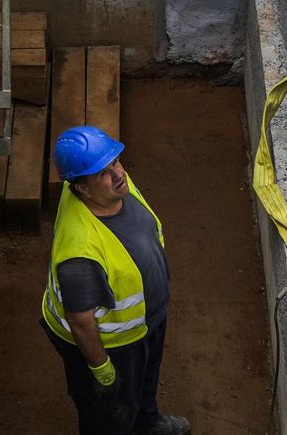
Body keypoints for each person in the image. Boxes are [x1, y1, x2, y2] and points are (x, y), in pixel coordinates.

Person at [41, 126, 190, 435]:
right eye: (103, 173)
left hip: (145, 324)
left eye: (116, 162)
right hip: (114, 344)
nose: (117, 174)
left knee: (143, 383)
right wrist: (101, 368)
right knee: (109, 412)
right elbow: (80, 320)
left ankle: (146, 422)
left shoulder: (113, 187)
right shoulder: (80, 253)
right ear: (82, 188)